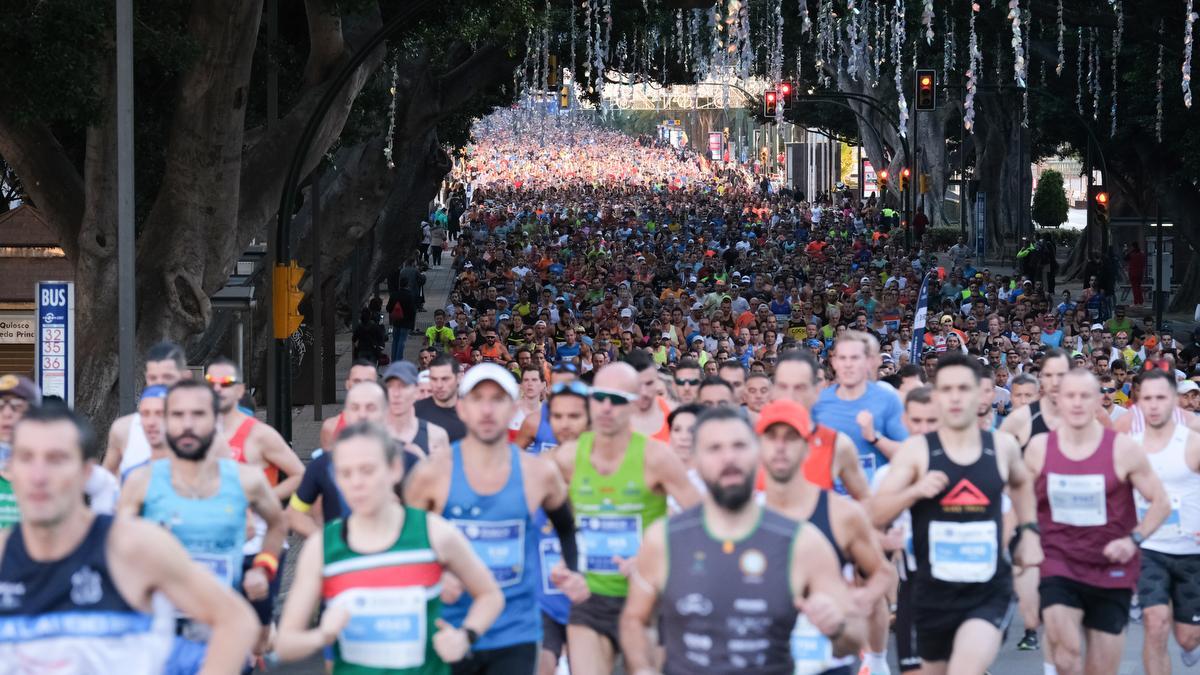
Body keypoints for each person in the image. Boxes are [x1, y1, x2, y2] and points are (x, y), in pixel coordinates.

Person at [0, 405, 258, 673]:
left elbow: (236, 621)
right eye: (26, 458)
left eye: (56, 459)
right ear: (11, 469)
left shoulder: (133, 547)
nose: (39, 476)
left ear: (86, 473)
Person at [618, 407, 866, 674]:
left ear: (757, 454)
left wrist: (837, 627)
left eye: (739, 446)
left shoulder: (802, 542)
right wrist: (643, 667)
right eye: (714, 449)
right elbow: (635, 620)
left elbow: (854, 636)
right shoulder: (663, 540)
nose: (728, 458)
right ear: (695, 461)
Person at [275, 422, 505, 672]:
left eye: (367, 470)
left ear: (394, 469)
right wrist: (323, 635)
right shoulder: (323, 546)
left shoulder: (434, 532)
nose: (356, 483)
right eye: (345, 473)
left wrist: (465, 636)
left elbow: (490, 595)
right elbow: (285, 643)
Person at [871, 353, 1042, 675]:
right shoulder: (917, 452)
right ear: (936, 396)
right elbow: (876, 513)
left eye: (964, 388)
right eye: (946, 389)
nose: (955, 397)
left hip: (987, 590)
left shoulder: (1001, 447)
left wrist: (1030, 530)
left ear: (981, 394)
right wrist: (914, 492)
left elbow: (1022, 484)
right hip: (930, 592)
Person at [405, 363, 582, 674]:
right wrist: (433, 575)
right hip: (450, 626)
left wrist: (573, 569)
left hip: (517, 630)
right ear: (462, 408)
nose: (487, 410)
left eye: (497, 399)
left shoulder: (538, 473)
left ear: (513, 408)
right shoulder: (432, 474)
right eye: (477, 398)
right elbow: (404, 541)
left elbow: (567, 528)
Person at [117, 380, 287, 674]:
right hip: (159, 640)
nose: (187, 425)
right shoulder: (141, 483)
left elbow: (278, 523)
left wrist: (263, 567)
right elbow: (117, 552)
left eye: (198, 415)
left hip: (222, 634)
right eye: (178, 415)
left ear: (215, 420)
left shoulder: (247, 480)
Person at [550, 362, 701, 675]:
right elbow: (536, 516)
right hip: (589, 598)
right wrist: (560, 561)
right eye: (600, 397)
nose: (606, 407)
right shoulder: (567, 457)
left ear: (634, 404)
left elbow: (703, 521)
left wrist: (655, 559)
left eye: (617, 399)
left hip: (644, 599)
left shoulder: (656, 457)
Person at [1025, 368, 1170, 675]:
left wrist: (1134, 540)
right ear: (1057, 400)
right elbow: (1021, 500)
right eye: (1070, 396)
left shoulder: (1123, 449)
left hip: (1110, 567)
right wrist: (1024, 539)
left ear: (1098, 401)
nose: (1077, 403)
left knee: (1101, 669)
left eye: (1085, 396)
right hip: (1058, 562)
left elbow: (1161, 502)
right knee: (1066, 655)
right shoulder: (1039, 449)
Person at [757, 398, 896, 675]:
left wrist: (859, 602)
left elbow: (883, 573)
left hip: (826, 661)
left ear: (807, 448)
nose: (781, 446)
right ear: (758, 447)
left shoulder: (841, 513)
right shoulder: (739, 514)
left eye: (791, 437)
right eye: (771, 437)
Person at [1128, 369, 1200, 674]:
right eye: (1148, 398)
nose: (1154, 405)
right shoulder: (1128, 446)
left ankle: (1191, 644)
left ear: (1174, 400)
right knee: (1155, 625)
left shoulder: (1194, 442)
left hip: (1191, 551)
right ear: (1138, 402)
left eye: (1161, 398)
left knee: (1187, 638)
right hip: (1149, 548)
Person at [530, 380, 591, 675]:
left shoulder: (616, 468)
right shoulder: (536, 471)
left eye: (574, 416)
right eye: (557, 417)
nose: (565, 424)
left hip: (599, 599)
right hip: (546, 598)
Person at [287, 382, 394, 537]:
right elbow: (294, 514)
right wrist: (327, 543)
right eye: (355, 408)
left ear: (386, 412)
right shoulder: (322, 465)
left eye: (370, 407)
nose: (362, 415)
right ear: (346, 413)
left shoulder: (407, 459)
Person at [813, 332, 908, 488]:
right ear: (834, 362)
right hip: (831, 501)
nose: (848, 364)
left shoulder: (887, 399)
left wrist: (875, 438)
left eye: (855, 358)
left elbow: (907, 456)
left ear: (867, 362)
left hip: (875, 500)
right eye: (842, 358)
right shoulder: (818, 402)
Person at [773, 350, 869, 499]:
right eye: (783, 386)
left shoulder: (838, 444)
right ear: (773, 390)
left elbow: (865, 502)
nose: (790, 395)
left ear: (816, 391)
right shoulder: (751, 440)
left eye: (799, 387)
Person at [102, 341, 190, 479]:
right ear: (146, 377)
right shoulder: (124, 429)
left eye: (167, 377)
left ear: (185, 377)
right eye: (153, 378)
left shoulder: (205, 428)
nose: (159, 383)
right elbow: (106, 482)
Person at [384, 361, 452, 457]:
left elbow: (444, 471)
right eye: (390, 386)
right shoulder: (370, 433)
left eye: (403, 386)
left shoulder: (436, 436)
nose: (396, 394)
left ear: (416, 391)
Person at [318, 359, 381, 449]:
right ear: (347, 384)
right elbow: (328, 461)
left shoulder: (388, 426)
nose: (361, 386)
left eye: (368, 382)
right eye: (357, 381)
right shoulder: (331, 427)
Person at [624, 351, 674, 443]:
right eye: (637, 385)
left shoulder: (673, 414)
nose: (644, 392)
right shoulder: (611, 415)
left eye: (649, 383)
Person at [415, 356, 467, 442]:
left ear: (458, 378)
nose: (439, 385)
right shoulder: (415, 411)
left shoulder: (472, 413)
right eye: (434, 379)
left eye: (445, 379)